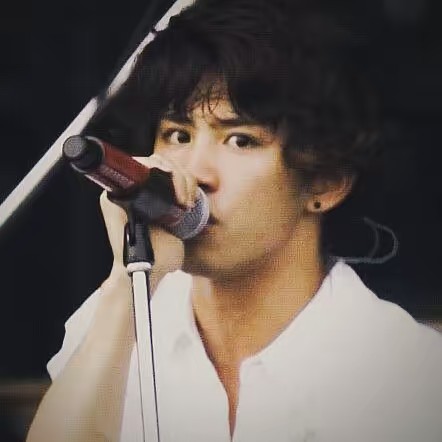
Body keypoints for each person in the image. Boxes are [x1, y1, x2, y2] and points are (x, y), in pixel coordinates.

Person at [27, 0, 442, 441]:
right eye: (178, 135)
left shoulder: (406, 377)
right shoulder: (112, 323)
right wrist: (127, 284)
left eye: (240, 140)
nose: (195, 172)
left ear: (325, 182)